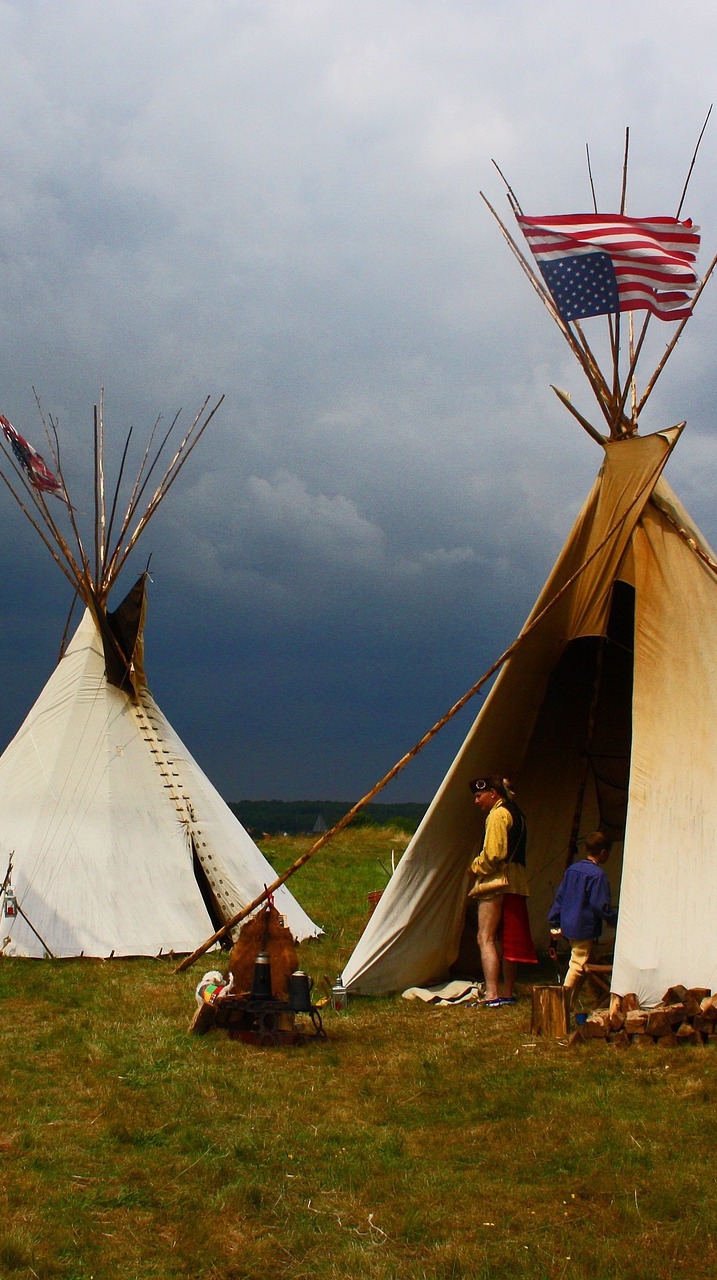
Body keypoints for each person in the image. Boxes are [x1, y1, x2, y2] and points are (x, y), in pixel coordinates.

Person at [469, 776, 537, 1006]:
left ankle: (492, 994)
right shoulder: (517, 813)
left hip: (497, 882)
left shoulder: (497, 815)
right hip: (516, 882)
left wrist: (475, 866)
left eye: (479, 796)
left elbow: (494, 855)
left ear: (493, 794)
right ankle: (507, 992)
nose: (477, 801)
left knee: (485, 937)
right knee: (508, 939)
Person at [548, 831, 618, 1004]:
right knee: (578, 964)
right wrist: (615, 919)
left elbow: (560, 897)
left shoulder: (572, 870)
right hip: (582, 927)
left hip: (568, 924)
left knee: (586, 961)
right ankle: (560, 1003)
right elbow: (598, 905)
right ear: (603, 853)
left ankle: (575, 1002)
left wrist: (555, 921)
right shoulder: (597, 875)